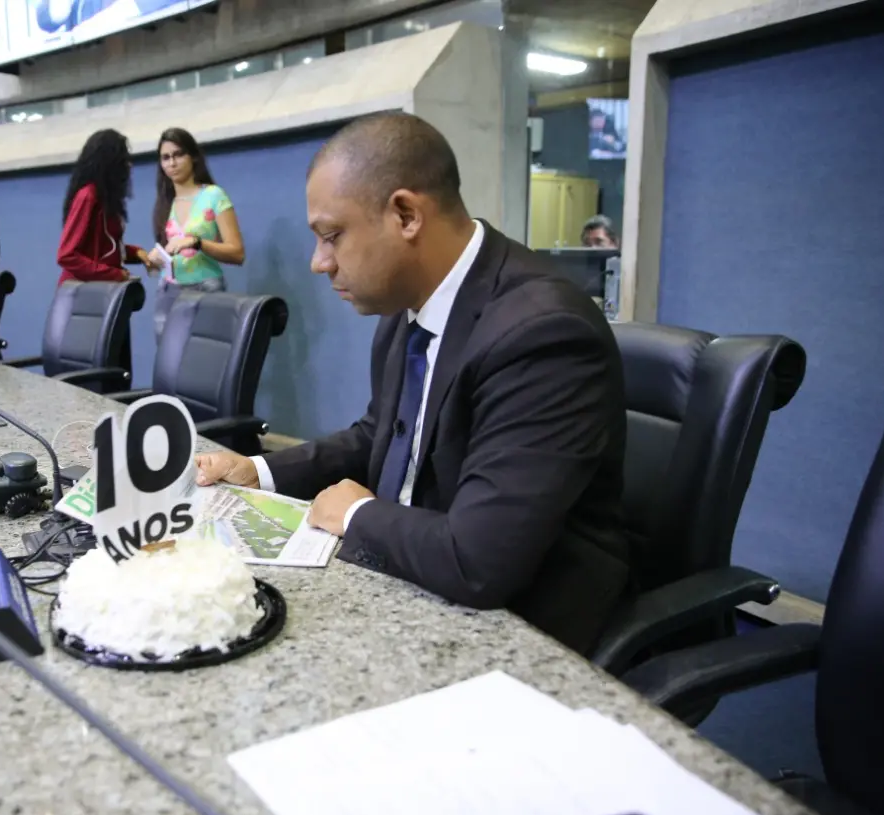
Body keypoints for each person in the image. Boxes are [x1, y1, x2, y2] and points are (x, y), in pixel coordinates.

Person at [195, 115, 629, 655]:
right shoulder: (409, 307)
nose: (318, 263)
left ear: (405, 215)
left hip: (522, 629)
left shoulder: (542, 334)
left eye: (332, 236)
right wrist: (259, 471)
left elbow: (481, 561)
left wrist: (357, 515)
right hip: (412, 579)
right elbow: (379, 434)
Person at [150, 127, 246, 336]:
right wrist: (155, 261)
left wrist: (197, 242)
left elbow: (237, 253)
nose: (172, 163)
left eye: (178, 155)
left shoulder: (214, 195)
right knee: (168, 354)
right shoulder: (165, 202)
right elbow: (167, 253)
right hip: (168, 290)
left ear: (193, 157)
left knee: (206, 352)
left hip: (206, 288)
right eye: (166, 158)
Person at [57, 128, 153, 286]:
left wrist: (136, 253)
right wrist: (115, 274)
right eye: (123, 160)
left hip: (99, 289)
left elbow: (105, 250)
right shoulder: (88, 196)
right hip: (81, 291)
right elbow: (67, 256)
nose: (128, 165)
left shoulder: (105, 198)